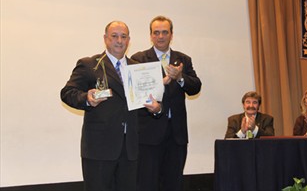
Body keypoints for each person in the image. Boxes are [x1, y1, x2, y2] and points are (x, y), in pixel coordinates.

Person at [60, 21, 161, 191]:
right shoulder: (90, 64)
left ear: (129, 40)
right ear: (105, 39)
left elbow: (155, 103)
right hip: (99, 148)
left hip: (130, 149)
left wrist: (157, 109)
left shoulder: (138, 69)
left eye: (123, 37)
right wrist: (87, 98)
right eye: (114, 36)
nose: (119, 41)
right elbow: (67, 93)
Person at [131, 15, 202, 191]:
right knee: (147, 183)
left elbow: (195, 87)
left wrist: (180, 77)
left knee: (174, 183)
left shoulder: (183, 59)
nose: (160, 36)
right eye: (156, 33)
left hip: (176, 135)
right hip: (149, 135)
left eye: (164, 32)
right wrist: (160, 82)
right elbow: (136, 92)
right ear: (150, 35)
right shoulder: (138, 58)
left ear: (171, 35)